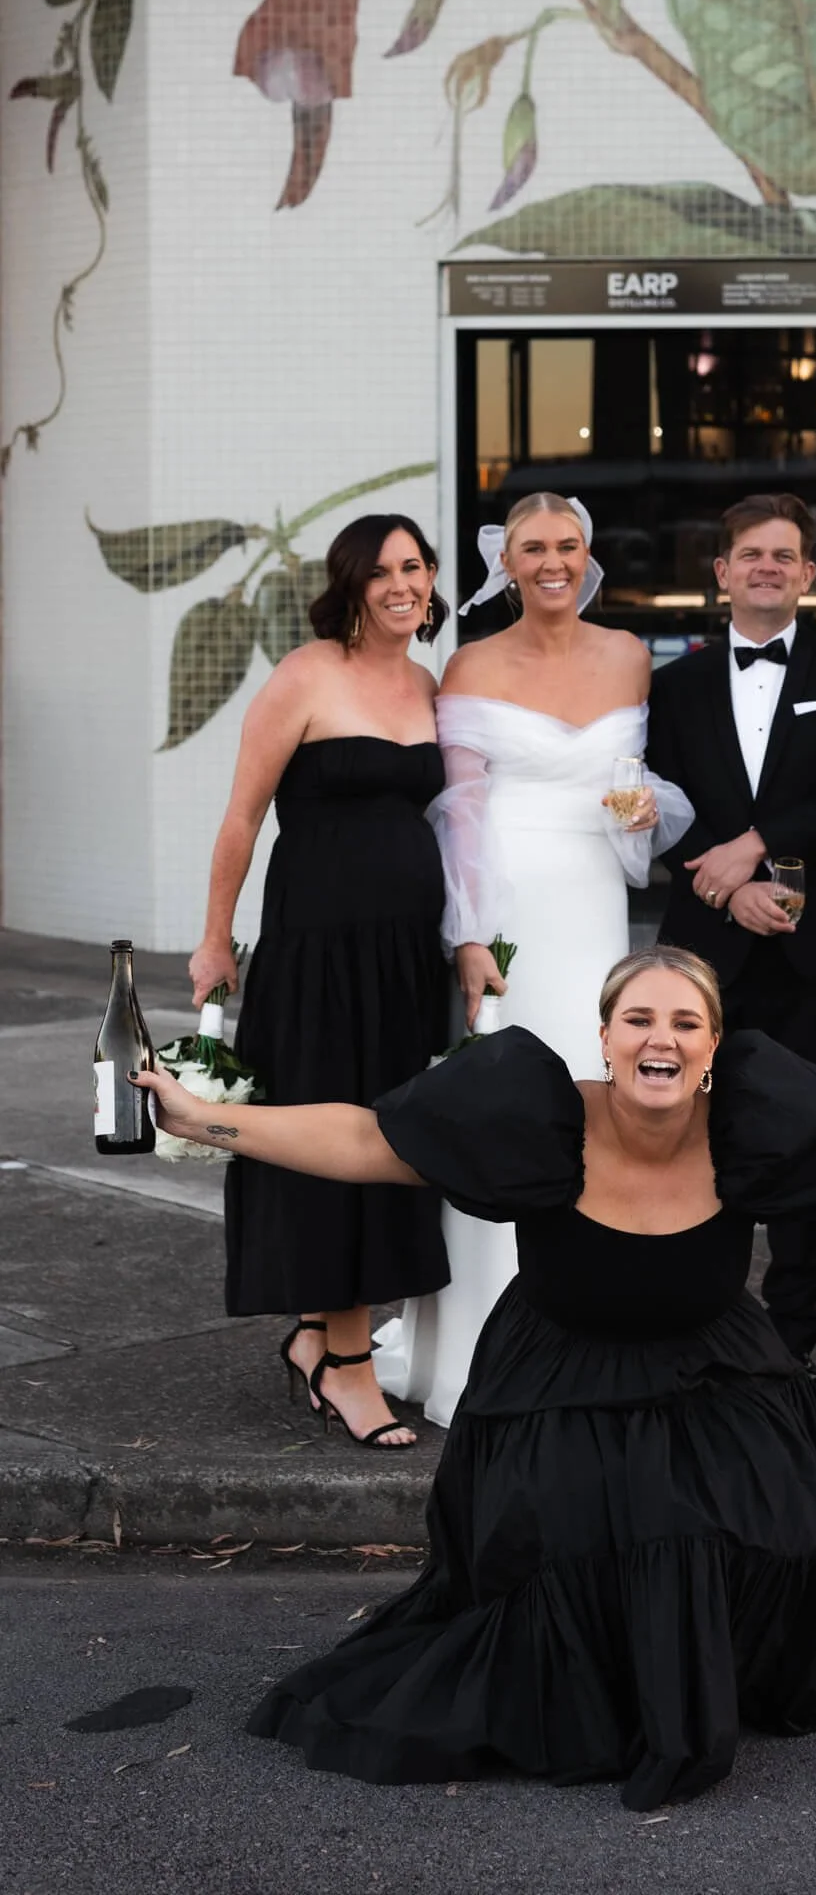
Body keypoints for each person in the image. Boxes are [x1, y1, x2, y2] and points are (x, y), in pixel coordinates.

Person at [137, 946, 816, 1812]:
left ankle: (708, 1661)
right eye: (637, 1018)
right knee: (602, 1545)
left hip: (711, 1363)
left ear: (713, 1045)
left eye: (684, 1021)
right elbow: (366, 1137)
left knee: (803, 1522)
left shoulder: (751, 1124)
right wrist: (201, 1120)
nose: (659, 1038)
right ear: (605, 1036)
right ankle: (619, 1680)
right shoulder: (537, 1115)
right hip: (559, 1378)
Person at [373, 492, 692, 1427]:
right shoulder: (471, 662)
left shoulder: (629, 655)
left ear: (587, 556)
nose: (552, 561)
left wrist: (640, 811)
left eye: (567, 545)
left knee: (596, 1103)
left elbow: (631, 791)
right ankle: (482, 1346)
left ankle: (589, 1332)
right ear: (505, 565)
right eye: (533, 548)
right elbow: (460, 813)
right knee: (503, 1107)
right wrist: (470, 935)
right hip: (507, 905)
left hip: (594, 906)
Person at [188, 513, 453, 1449]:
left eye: (414, 567)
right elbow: (240, 819)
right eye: (380, 572)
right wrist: (214, 941)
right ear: (350, 586)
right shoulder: (306, 674)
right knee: (326, 1144)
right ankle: (348, 1365)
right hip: (318, 957)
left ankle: (316, 1336)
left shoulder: (427, 683)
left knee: (389, 1144)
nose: (401, 585)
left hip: (404, 959)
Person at [647, 494, 816, 1383]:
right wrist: (731, 885)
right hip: (707, 947)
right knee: (699, 1133)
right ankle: (703, 1318)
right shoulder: (674, 685)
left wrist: (757, 845)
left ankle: (790, 1337)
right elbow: (659, 803)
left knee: (809, 1138)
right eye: (750, 554)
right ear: (722, 572)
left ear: (808, 574)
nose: (767, 567)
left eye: (784, 555)